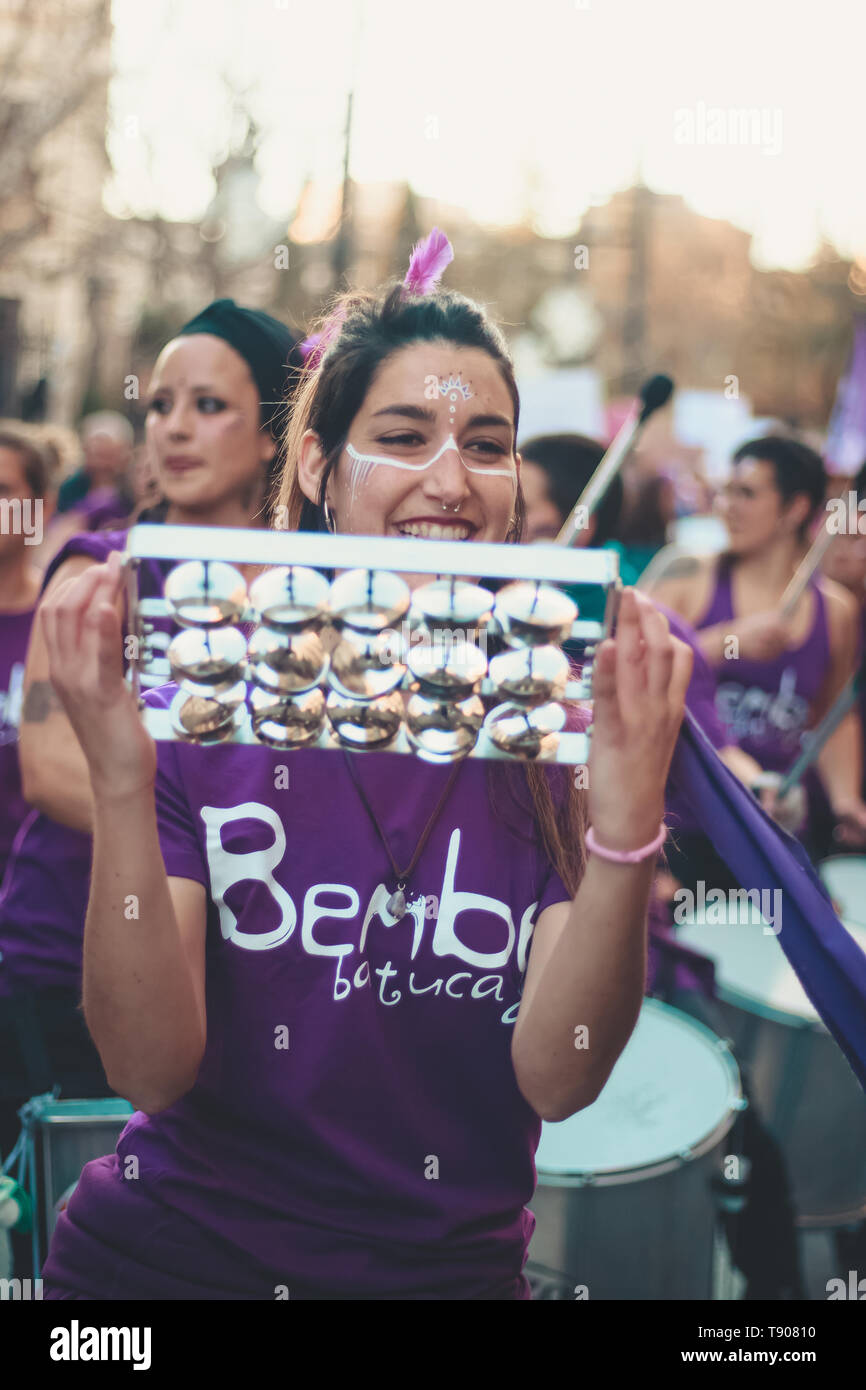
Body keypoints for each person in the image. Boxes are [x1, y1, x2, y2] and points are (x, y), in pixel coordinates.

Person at [40, 236, 691, 1300]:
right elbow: (145, 1068)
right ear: (316, 467)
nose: (450, 478)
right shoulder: (210, 702)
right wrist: (119, 780)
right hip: (160, 1271)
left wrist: (623, 827)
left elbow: (561, 1074)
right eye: (402, 435)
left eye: (487, 444)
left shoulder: (550, 730)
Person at [0, 300, 299, 1275]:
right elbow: (47, 768)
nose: (168, 425)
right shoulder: (94, 573)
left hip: (246, 975)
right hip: (67, 956)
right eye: (160, 403)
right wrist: (235, 836)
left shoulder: (320, 599)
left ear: (273, 435)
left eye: (206, 403)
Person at [645, 435, 866, 858]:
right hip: (679, 829)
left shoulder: (836, 609)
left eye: (745, 493)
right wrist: (726, 641)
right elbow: (631, 669)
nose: (726, 505)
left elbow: (833, 715)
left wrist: (845, 801)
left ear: (796, 509)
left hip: (775, 830)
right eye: (726, 490)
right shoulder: (685, 573)